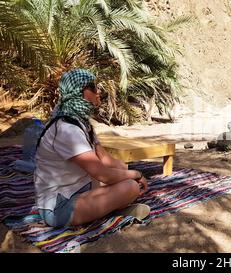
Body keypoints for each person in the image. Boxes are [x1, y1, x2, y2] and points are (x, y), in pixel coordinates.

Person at [34, 68, 150, 228]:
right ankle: (111, 211)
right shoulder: (67, 129)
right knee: (129, 187)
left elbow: (107, 160)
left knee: (129, 181)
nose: (99, 91)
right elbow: (103, 174)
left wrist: (131, 172)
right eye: (93, 87)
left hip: (81, 188)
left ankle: (108, 209)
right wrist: (137, 174)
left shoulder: (81, 123)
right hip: (58, 207)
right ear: (78, 92)